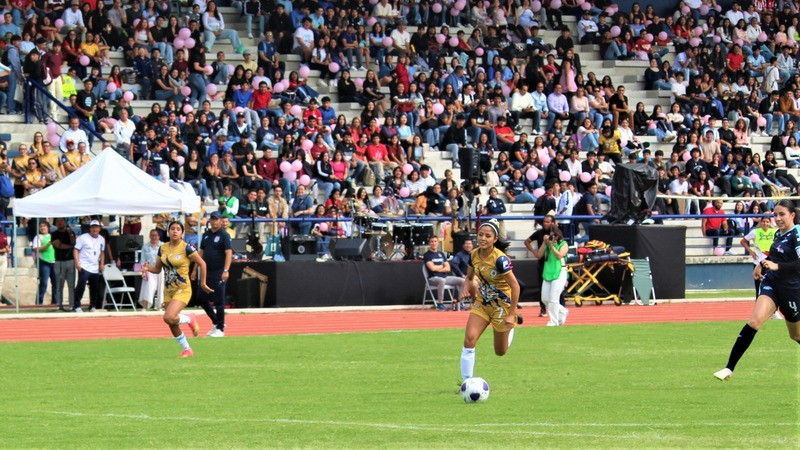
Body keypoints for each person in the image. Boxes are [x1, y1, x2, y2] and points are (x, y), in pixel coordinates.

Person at [714, 200, 800, 381]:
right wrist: (761, 265)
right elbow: (774, 256)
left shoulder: (797, 233)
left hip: (792, 290)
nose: (777, 218)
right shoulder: (778, 234)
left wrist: (778, 266)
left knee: (796, 335)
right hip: (772, 284)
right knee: (754, 321)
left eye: (782, 214)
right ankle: (729, 368)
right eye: (775, 215)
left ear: (792, 215)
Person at [460, 220, 522, 383]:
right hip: (483, 303)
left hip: (502, 306)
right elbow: (469, 277)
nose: (483, 238)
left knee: (500, 351)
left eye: (488, 236)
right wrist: (466, 288)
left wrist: (511, 313)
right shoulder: (474, 254)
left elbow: (515, 287)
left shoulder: (500, 260)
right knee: (469, 340)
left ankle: (511, 326)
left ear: (495, 239)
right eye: (481, 235)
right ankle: (466, 383)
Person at [142, 221, 212, 358]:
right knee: (171, 321)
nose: (175, 231)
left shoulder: (187, 248)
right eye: (172, 229)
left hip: (183, 288)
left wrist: (203, 283)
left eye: (178, 229)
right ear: (168, 232)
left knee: (169, 316)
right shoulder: (163, 248)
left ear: (182, 232)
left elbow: (202, 263)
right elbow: (157, 269)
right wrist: (147, 268)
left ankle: (190, 319)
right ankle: (187, 349)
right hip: (169, 290)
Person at [197, 211, 232, 338]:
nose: (214, 221)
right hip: (206, 272)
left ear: (220, 221)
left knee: (219, 300)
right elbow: (201, 252)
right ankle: (216, 322)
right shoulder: (206, 235)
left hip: (218, 271)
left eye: (216, 219)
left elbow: (229, 253)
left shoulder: (224, 235)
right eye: (212, 219)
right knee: (200, 298)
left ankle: (221, 328)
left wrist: (226, 270)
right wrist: (195, 268)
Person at [524, 214, 559, 317]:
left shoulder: (557, 233)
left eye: (548, 222)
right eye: (544, 222)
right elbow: (527, 242)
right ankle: (543, 309)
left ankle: (558, 308)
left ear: (553, 223)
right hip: (543, 262)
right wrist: (534, 253)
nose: (545, 224)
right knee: (542, 287)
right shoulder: (539, 233)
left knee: (555, 286)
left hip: (553, 263)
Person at [537, 225, 569, 326]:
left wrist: (552, 246)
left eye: (554, 235)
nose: (552, 237)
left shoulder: (563, 244)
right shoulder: (547, 244)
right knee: (545, 298)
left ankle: (553, 321)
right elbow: (539, 255)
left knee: (553, 298)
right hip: (548, 272)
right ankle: (562, 310)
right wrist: (544, 242)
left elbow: (559, 255)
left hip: (559, 272)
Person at [424, 235, 466, 311]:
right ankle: (440, 304)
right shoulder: (427, 255)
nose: (434, 243)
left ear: (438, 243)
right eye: (432, 242)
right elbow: (432, 268)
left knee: (462, 281)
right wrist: (442, 266)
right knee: (441, 280)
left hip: (445, 277)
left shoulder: (441, 254)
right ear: (429, 243)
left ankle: (460, 303)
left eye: (435, 241)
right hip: (433, 278)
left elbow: (448, 268)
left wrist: (438, 268)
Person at [73, 220, 105, 312]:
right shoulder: (83, 238)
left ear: (99, 228)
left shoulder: (102, 239)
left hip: (95, 267)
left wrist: (102, 263)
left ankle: (93, 306)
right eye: (93, 227)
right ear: (90, 228)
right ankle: (77, 306)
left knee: (95, 288)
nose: (94, 229)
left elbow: (102, 252)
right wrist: (77, 262)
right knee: (81, 286)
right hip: (84, 266)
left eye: (96, 227)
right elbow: (76, 250)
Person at [50, 218, 76, 312]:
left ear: (65, 222)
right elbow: (58, 245)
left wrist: (69, 233)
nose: (60, 223)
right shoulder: (54, 234)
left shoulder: (71, 232)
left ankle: (72, 305)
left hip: (71, 260)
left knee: (71, 285)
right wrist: (70, 246)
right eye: (58, 221)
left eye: (61, 221)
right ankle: (59, 304)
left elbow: (74, 243)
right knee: (59, 285)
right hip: (59, 261)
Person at [138, 229, 164, 310]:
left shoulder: (163, 245)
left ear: (159, 236)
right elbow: (142, 260)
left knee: (161, 288)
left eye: (156, 235)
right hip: (150, 269)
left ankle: (160, 306)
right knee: (149, 287)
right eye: (152, 235)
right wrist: (144, 269)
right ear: (149, 236)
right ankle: (145, 307)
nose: (154, 237)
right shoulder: (145, 247)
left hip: (161, 269)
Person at [31, 221, 56, 306]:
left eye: (44, 226)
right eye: (41, 226)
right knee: (44, 283)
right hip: (44, 262)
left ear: (48, 227)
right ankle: (39, 302)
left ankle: (55, 302)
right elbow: (37, 249)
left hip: (55, 261)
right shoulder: (38, 237)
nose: (42, 228)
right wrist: (47, 245)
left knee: (56, 283)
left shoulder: (53, 236)